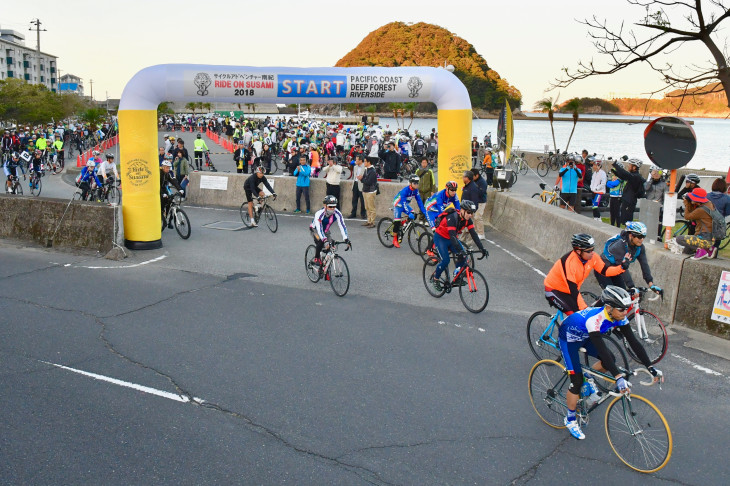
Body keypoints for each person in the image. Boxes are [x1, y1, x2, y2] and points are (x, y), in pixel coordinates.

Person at [559, 286, 663, 440]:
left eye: (627, 309)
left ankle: (589, 376)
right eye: (621, 309)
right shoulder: (595, 320)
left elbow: (634, 343)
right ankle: (570, 419)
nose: (625, 312)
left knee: (610, 361)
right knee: (576, 381)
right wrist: (619, 377)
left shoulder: (618, 316)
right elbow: (600, 347)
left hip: (586, 336)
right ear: (609, 307)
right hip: (570, 339)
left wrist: (650, 367)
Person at [544, 233, 626, 315]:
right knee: (576, 316)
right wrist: (585, 309)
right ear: (579, 251)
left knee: (582, 316)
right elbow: (573, 290)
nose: (592, 253)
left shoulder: (592, 257)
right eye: (589, 251)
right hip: (554, 290)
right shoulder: (570, 263)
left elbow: (605, 271)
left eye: (593, 249)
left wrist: (622, 267)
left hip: (569, 291)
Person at [428, 200, 488, 288]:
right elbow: (452, 236)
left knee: (464, 257)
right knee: (445, 261)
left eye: (472, 213)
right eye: (468, 212)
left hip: (451, 239)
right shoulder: (453, 217)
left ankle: (457, 276)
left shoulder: (468, 220)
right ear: (462, 210)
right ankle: (435, 278)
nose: (470, 215)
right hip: (441, 238)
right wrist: (460, 251)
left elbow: (474, 235)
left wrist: (482, 248)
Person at [595, 221, 662, 295]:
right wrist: (632, 287)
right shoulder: (620, 245)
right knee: (612, 297)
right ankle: (597, 305)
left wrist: (651, 284)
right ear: (631, 235)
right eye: (639, 237)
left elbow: (644, 265)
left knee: (623, 295)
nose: (642, 239)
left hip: (616, 269)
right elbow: (624, 269)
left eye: (643, 236)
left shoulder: (640, 247)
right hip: (603, 270)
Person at [675, 187, 717, 259]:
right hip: (709, 238)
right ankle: (709, 249)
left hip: (703, 239)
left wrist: (687, 204)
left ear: (697, 199)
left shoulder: (701, 210)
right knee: (686, 251)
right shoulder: (709, 204)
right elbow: (694, 213)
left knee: (679, 239)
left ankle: (704, 250)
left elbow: (687, 216)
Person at [309, 195, 351, 266]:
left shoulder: (337, 213)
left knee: (331, 245)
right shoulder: (319, 214)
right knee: (320, 241)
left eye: (334, 207)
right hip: (315, 229)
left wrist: (346, 238)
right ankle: (316, 258)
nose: (332, 209)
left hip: (325, 230)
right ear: (325, 205)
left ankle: (326, 269)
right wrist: (325, 240)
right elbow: (319, 229)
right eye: (330, 207)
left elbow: (342, 225)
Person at [391, 175, 428, 248]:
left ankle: (403, 223)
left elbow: (419, 201)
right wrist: (408, 213)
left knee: (414, 215)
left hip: (405, 204)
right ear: (410, 183)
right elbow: (403, 203)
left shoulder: (416, 190)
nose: (416, 185)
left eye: (417, 183)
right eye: (415, 183)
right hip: (398, 204)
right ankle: (395, 239)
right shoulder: (405, 191)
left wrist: (424, 211)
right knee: (397, 222)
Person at [611, 158, 645, 226]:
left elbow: (625, 174)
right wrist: (616, 173)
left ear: (634, 167)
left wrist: (616, 165)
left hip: (630, 202)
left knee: (627, 221)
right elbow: (624, 177)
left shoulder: (636, 176)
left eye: (630, 165)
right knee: (624, 221)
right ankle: (627, 234)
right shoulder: (633, 176)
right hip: (627, 200)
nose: (628, 166)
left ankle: (628, 235)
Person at [707, 178, 730, 257]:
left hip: (705, 221)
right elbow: (728, 212)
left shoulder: (707, 195)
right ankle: (714, 254)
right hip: (718, 223)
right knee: (716, 241)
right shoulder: (727, 198)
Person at [460, 171, 481, 247]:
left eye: (463, 177)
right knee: (463, 229)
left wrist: (470, 213)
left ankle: (468, 246)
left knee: (469, 230)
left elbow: (475, 202)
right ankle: (460, 244)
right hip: (464, 212)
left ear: (467, 178)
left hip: (468, 212)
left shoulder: (473, 188)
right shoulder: (467, 186)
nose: (462, 178)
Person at [160, 159, 184, 227]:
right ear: (163, 167)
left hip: (164, 189)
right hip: (158, 189)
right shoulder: (159, 173)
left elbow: (173, 181)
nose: (168, 169)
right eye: (167, 167)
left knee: (170, 202)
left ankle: (169, 221)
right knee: (162, 203)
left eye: (169, 167)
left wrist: (180, 189)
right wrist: (162, 194)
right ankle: (161, 216)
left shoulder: (167, 174)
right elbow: (156, 185)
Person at [361, 157, 378, 227]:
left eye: (365, 161)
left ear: (369, 162)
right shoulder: (366, 170)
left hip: (370, 191)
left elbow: (369, 182)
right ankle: (369, 220)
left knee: (371, 208)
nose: (364, 163)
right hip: (365, 190)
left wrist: (362, 179)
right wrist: (363, 178)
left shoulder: (372, 171)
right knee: (367, 207)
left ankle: (372, 222)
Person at [472, 168, 488, 240]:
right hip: (474, 202)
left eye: (472, 176)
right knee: (474, 218)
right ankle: (476, 231)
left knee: (478, 217)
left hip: (481, 202)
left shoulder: (482, 182)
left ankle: (481, 234)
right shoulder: (473, 181)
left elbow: (481, 193)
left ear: (477, 175)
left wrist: (474, 190)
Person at [349, 155, 367, 219]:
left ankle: (363, 214)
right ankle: (353, 213)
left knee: (362, 200)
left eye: (357, 160)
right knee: (354, 200)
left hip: (362, 185)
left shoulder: (365, 167)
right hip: (355, 184)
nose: (355, 161)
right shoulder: (355, 167)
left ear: (360, 161)